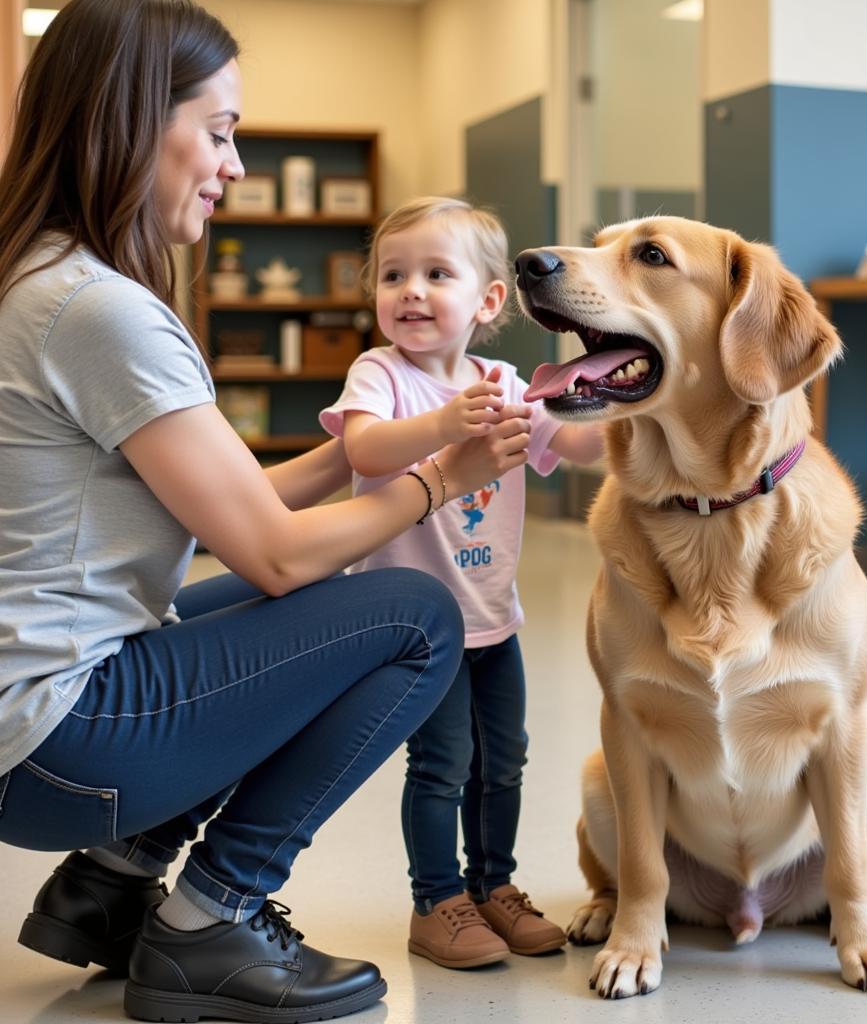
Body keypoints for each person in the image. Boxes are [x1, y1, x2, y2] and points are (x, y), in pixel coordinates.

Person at [0, 4, 533, 1022]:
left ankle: (106, 885)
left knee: (268, 605)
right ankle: (213, 915)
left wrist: (368, 451)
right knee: (411, 614)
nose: (233, 165)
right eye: (221, 129)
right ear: (130, 119)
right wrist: (445, 475)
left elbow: (234, 511)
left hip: (27, 732)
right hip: (55, 747)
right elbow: (284, 556)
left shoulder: (40, 281)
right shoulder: (98, 310)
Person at [318, 196, 604, 970]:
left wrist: (624, 402)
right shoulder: (380, 373)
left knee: (503, 758)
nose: (410, 290)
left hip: (493, 619)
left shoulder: (507, 381)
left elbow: (575, 447)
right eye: (393, 275)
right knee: (441, 764)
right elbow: (368, 452)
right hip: (419, 626)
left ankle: (493, 888)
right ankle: (435, 899)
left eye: (435, 274)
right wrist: (445, 429)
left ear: (487, 301)